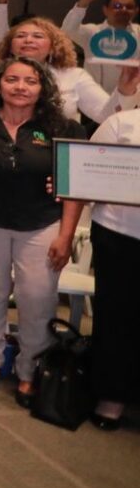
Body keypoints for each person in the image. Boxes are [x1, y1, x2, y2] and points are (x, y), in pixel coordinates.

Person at [0, 57, 85, 407]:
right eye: (12, 79)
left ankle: (31, 368)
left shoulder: (63, 127)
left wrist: (65, 236)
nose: (20, 87)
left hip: (42, 225)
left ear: (43, 88)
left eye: (30, 81)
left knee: (37, 297)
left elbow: (73, 187)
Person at [85, 67, 140, 430]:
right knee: (117, 318)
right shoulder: (124, 123)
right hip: (120, 234)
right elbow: (86, 172)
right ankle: (112, 396)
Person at [0, 15, 139, 123]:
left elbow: (106, 116)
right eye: (20, 36)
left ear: (53, 47)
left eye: (37, 36)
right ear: (10, 46)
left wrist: (125, 91)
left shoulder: (74, 76)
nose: (28, 40)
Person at [62, 0, 138, 93]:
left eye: (129, 7)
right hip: (93, 95)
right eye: (117, 6)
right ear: (105, 10)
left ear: (136, 11)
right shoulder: (92, 32)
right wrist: (84, 2)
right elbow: (67, 31)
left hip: (131, 96)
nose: (123, 9)